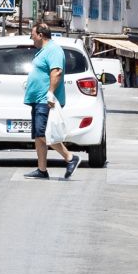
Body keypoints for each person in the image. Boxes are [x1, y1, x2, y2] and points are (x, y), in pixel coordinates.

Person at [24, 19, 78, 181]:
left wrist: (50, 93)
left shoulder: (53, 50)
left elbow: (56, 72)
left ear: (41, 35)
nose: (32, 39)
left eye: (32, 35)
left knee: (43, 134)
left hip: (45, 99)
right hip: (38, 99)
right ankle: (42, 170)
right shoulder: (43, 51)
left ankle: (70, 158)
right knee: (38, 136)